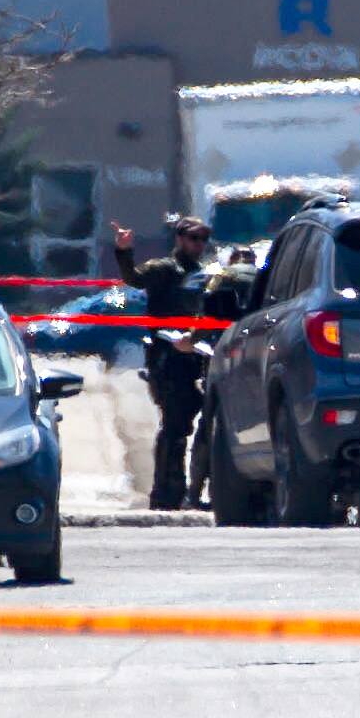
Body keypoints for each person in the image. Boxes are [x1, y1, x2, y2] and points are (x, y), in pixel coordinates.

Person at [111, 214, 215, 510]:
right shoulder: (165, 269)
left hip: (197, 356)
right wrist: (123, 250)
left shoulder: (202, 272)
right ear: (180, 239)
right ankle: (166, 492)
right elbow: (133, 278)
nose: (199, 244)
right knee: (175, 426)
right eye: (193, 238)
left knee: (199, 426)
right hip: (168, 359)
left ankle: (191, 491)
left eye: (203, 239)